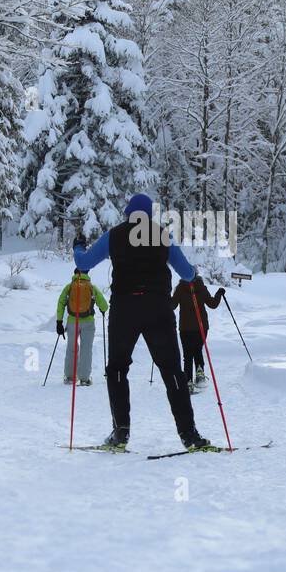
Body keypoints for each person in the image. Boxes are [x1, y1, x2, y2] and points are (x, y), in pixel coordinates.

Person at [73, 194, 212, 452]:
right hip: (158, 309)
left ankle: (121, 433)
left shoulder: (114, 236)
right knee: (172, 370)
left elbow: (83, 264)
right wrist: (194, 275)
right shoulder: (162, 235)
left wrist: (78, 246)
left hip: (124, 309)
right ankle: (189, 434)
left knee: (117, 368)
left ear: (128, 214)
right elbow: (187, 272)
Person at [56, 268, 108, 386]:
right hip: (88, 322)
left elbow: (61, 303)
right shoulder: (91, 287)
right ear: (87, 273)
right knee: (86, 349)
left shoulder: (69, 287)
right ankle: (84, 379)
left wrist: (59, 321)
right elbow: (104, 305)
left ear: (74, 274)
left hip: (73, 321)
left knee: (71, 348)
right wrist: (102, 308)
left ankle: (69, 377)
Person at [172, 276, 225, 393]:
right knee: (197, 350)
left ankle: (188, 381)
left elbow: (172, 305)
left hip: (185, 328)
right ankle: (200, 374)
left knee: (188, 354)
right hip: (202, 327)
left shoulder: (180, 288)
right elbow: (213, 304)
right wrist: (219, 294)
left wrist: (163, 297)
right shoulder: (201, 287)